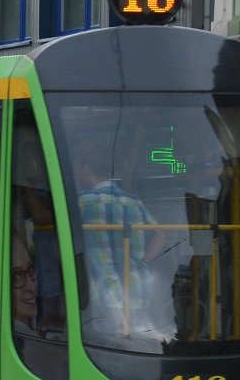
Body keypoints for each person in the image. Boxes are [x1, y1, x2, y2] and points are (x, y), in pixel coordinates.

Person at [73, 143, 170, 335]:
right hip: (136, 289)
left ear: (86, 168)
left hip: (100, 293)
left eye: (77, 167)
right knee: (135, 341)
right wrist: (141, 262)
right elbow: (160, 236)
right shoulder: (132, 201)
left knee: (106, 346)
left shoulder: (81, 203)